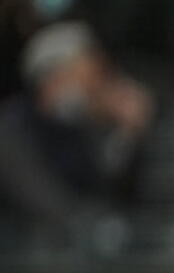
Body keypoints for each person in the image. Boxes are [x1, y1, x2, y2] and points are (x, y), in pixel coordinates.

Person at [0, 19, 153, 228]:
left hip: (75, 247)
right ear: (54, 79)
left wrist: (128, 135)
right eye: (92, 77)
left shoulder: (82, 125)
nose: (100, 88)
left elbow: (112, 189)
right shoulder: (11, 129)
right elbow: (52, 207)